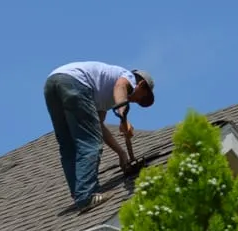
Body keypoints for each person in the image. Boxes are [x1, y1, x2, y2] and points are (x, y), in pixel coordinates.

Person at [43, 61, 155, 211]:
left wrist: (121, 153)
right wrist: (123, 117)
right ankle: (87, 196)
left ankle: (79, 192)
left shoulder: (103, 96)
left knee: (68, 144)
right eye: (142, 98)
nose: (137, 102)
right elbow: (120, 87)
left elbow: (99, 127)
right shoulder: (128, 77)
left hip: (53, 84)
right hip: (75, 82)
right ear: (141, 85)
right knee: (90, 143)